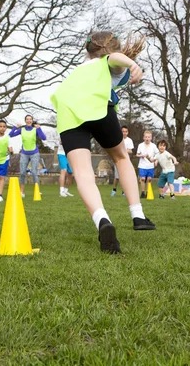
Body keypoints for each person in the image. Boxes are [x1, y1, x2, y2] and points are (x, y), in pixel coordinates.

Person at [50, 30, 156, 254]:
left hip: (67, 112)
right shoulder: (105, 63)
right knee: (120, 157)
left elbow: (107, 56)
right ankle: (137, 215)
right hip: (97, 108)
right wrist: (132, 64)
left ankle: (102, 221)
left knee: (82, 173)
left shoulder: (79, 70)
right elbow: (113, 59)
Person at [9, 114, 47, 198]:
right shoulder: (22, 130)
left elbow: (44, 138)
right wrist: (15, 127)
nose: (29, 120)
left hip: (34, 153)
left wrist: (39, 129)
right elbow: (10, 135)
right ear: (25, 121)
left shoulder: (35, 130)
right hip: (24, 153)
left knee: (34, 172)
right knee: (22, 172)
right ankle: (21, 191)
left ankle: (37, 191)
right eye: (27, 119)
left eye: (30, 119)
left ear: (32, 121)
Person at [111, 125, 134, 196]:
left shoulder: (129, 140)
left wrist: (124, 151)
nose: (124, 133)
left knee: (125, 176)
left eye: (126, 131)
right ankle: (114, 190)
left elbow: (130, 151)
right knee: (117, 177)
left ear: (128, 132)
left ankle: (124, 191)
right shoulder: (117, 139)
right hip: (117, 160)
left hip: (126, 161)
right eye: (123, 131)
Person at [136, 130, 158, 198]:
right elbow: (137, 154)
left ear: (151, 138)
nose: (147, 138)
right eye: (146, 137)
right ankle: (143, 192)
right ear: (143, 137)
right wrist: (142, 155)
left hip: (150, 166)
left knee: (149, 179)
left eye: (149, 137)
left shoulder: (153, 146)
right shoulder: (140, 145)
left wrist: (155, 161)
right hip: (142, 165)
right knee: (142, 179)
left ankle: (148, 192)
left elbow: (157, 154)